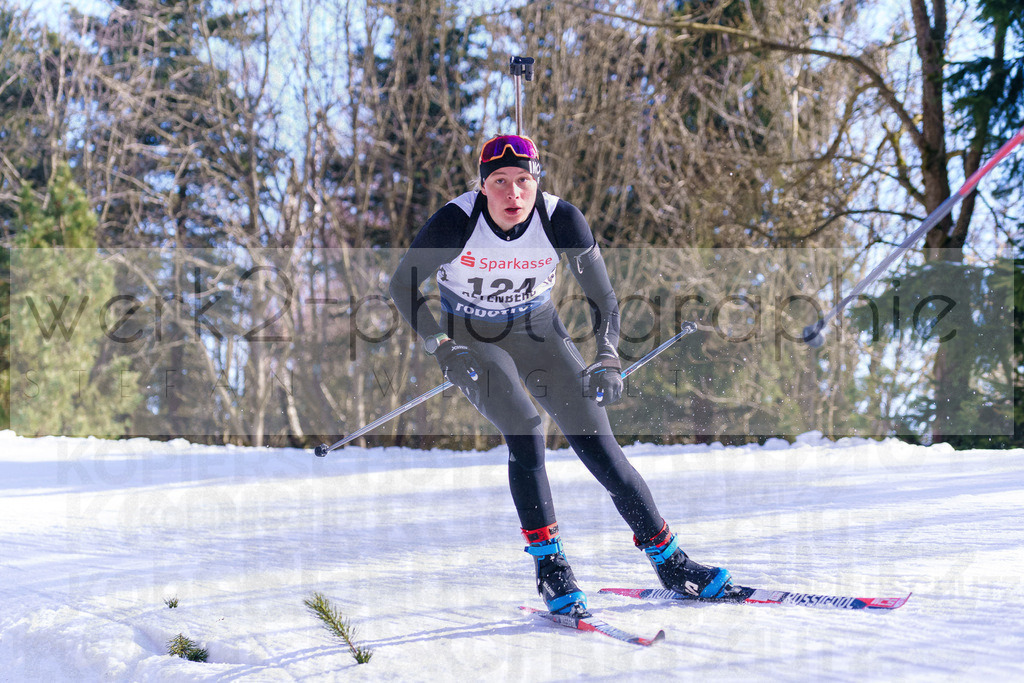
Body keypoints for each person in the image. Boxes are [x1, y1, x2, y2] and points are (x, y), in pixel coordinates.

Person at [389, 134, 731, 615]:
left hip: (537, 329)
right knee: (526, 429)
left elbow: (604, 298)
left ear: (536, 182)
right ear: (482, 186)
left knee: (597, 440)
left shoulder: (561, 218)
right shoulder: (456, 221)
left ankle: (669, 559)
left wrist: (608, 355)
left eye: (523, 182)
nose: (513, 195)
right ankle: (551, 568)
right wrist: (441, 347)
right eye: (500, 183)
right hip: (469, 335)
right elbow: (400, 283)